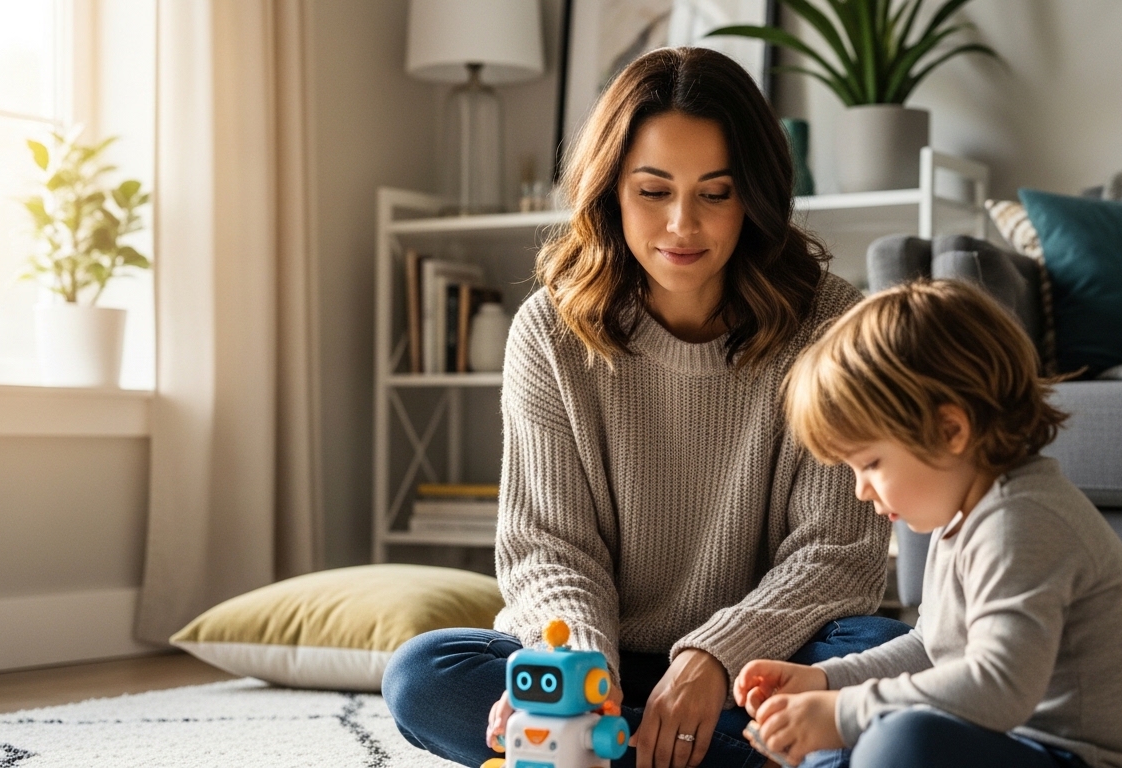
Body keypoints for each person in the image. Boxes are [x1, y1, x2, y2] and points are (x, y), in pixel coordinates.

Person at [382, 47, 911, 768]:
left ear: (754, 194)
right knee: (423, 676)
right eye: (653, 191)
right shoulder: (549, 331)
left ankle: (598, 756)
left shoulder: (829, 323)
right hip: (602, 659)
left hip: (761, 662)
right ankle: (699, 749)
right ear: (611, 192)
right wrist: (580, 682)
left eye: (716, 193)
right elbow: (546, 547)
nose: (682, 225)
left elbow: (838, 555)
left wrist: (715, 658)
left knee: (889, 660)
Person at [733, 280, 1122, 768]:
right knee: (852, 737)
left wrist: (844, 712)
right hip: (1014, 744)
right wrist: (826, 682)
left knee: (897, 741)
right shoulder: (963, 518)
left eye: (872, 463)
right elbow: (930, 649)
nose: (861, 489)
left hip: (1077, 758)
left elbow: (997, 687)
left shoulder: (1019, 522)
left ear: (951, 430)